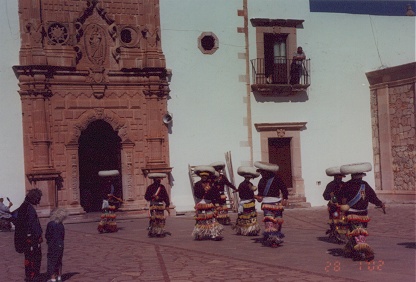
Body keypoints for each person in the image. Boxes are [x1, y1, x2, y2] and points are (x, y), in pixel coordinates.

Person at [339, 162, 385, 261]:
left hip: (355, 214)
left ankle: (351, 250)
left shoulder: (347, 185)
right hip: (358, 214)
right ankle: (366, 252)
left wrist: (342, 207)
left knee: (355, 232)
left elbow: (341, 199)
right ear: (361, 176)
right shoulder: (364, 185)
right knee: (359, 233)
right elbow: (373, 197)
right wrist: (380, 203)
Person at [254, 161, 289, 247]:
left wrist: (285, 198)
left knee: (274, 221)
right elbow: (261, 196)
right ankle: (273, 239)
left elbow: (284, 189)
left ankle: (273, 238)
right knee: (271, 221)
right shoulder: (263, 181)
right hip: (273, 204)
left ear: (267, 172)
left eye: (262, 172)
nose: (261, 174)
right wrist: (257, 197)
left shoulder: (275, 179)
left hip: (272, 204)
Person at [14, 188, 43, 282]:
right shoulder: (29, 208)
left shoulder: (24, 206)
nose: (39, 201)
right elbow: (33, 225)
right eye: (38, 199)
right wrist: (39, 235)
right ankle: (33, 277)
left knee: (28, 258)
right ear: (35, 198)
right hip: (31, 239)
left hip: (26, 238)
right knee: (34, 258)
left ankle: (29, 276)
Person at [192, 165, 224, 241]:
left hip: (210, 203)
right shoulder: (197, 184)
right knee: (200, 219)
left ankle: (214, 234)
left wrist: (218, 203)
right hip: (200, 204)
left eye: (205, 176)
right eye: (202, 176)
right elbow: (196, 194)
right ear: (200, 176)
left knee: (212, 219)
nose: (204, 177)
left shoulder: (212, 185)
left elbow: (216, 194)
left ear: (208, 176)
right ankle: (199, 234)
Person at [233, 166, 261, 236]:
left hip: (245, 202)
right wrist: (256, 197)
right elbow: (250, 194)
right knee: (248, 217)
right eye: (248, 178)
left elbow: (241, 193)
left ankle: (243, 230)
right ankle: (248, 230)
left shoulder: (242, 184)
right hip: (247, 203)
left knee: (244, 217)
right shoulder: (248, 185)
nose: (249, 179)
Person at [322, 166, 346, 242]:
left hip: (343, 207)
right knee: (335, 221)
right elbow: (325, 196)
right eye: (338, 177)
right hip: (334, 208)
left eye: (341, 177)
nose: (340, 179)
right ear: (335, 177)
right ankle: (335, 234)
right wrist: (330, 195)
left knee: (343, 221)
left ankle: (342, 234)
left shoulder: (344, 185)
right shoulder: (330, 185)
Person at [144, 173, 171, 237]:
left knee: (160, 219)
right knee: (153, 219)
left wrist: (167, 204)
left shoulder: (162, 187)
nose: (159, 180)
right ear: (154, 180)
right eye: (157, 179)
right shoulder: (150, 187)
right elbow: (146, 197)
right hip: (153, 205)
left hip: (160, 206)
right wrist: (152, 196)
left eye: (159, 179)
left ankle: (159, 232)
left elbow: (166, 197)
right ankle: (153, 231)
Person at [46, 207, 68, 282]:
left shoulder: (50, 224)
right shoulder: (61, 224)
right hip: (60, 244)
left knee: (51, 261)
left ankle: (52, 278)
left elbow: (47, 235)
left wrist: (48, 242)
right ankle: (59, 277)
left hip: (53, 244)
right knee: (59, 261)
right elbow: (63, 235)